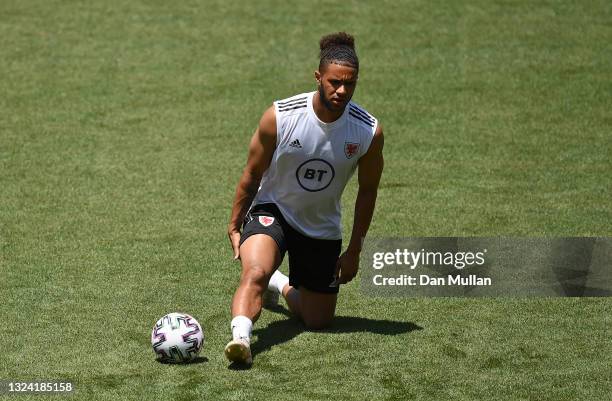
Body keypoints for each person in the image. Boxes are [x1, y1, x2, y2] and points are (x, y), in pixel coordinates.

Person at [225, 32, 384, 365]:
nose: (341, 91)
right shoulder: (281, 117)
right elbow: (252, 173)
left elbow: (367, 192)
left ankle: (279, 283)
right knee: (254, 270)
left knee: (318, 320)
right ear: (318, 78)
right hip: (274, 210)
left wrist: (355, 250)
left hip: (320, 226)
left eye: (350, 84)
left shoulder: (367, 132)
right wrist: (235, 223)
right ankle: (241, 339)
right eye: (334, 82)